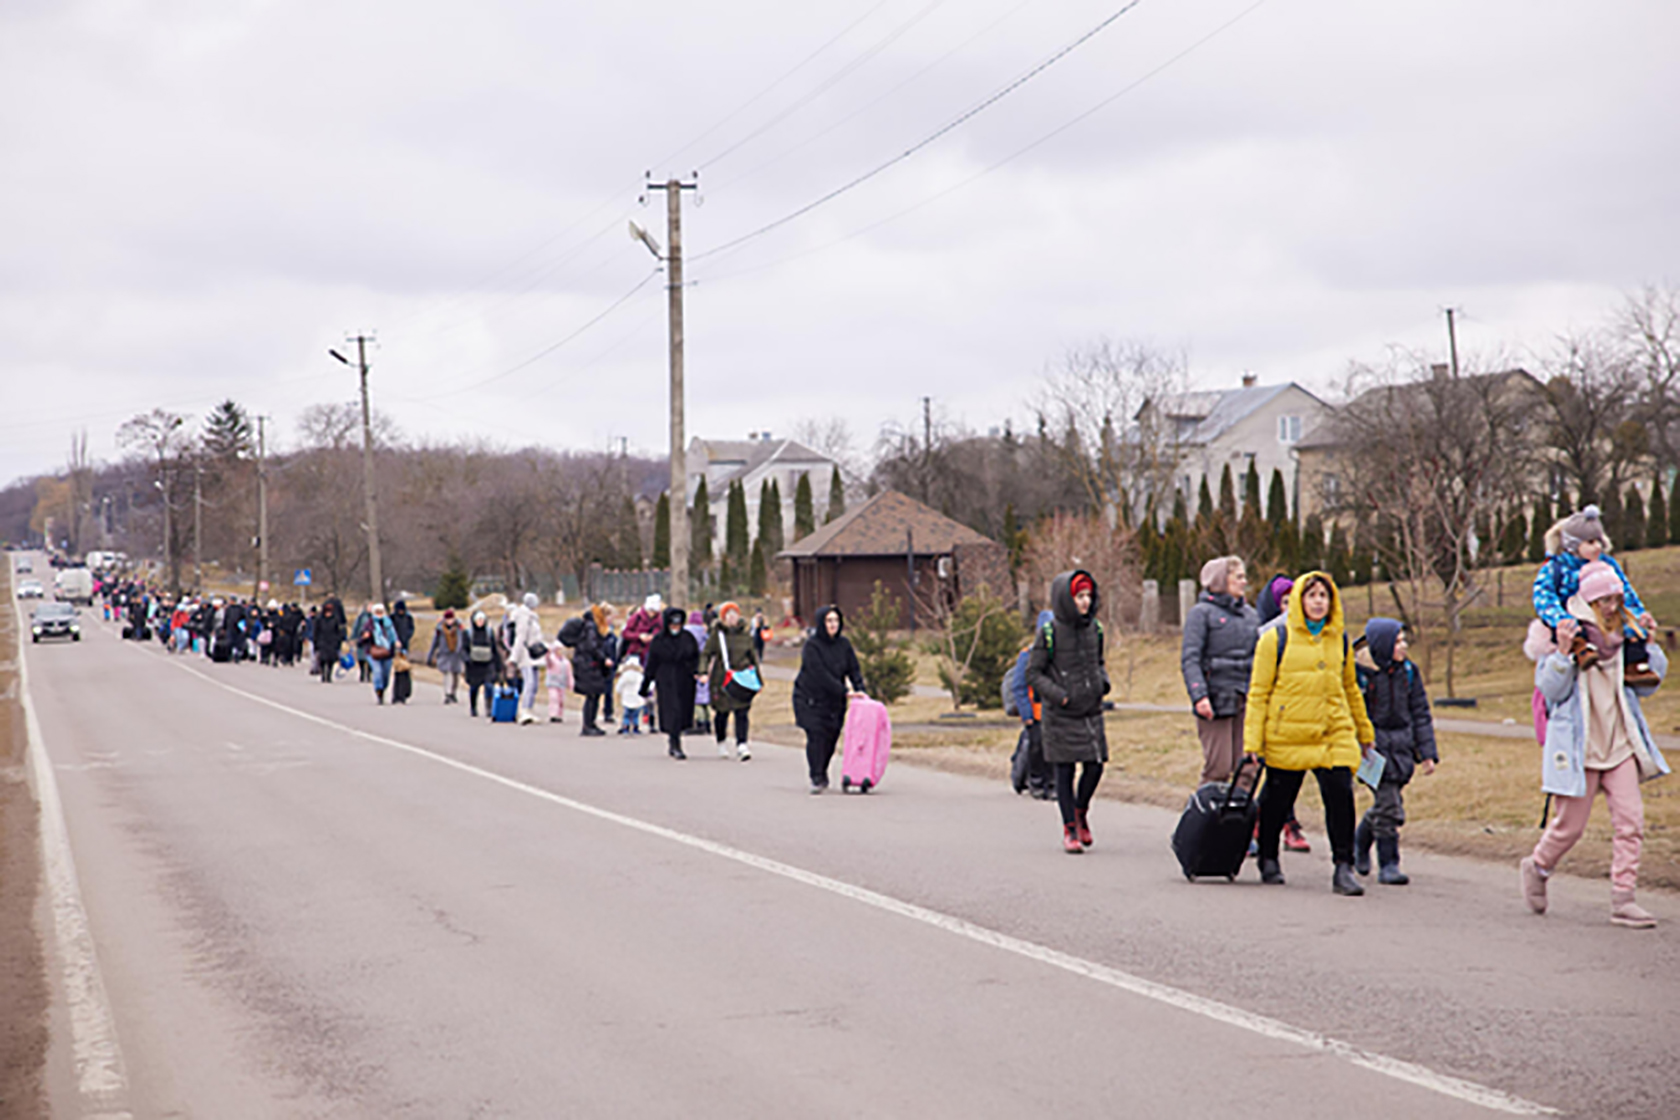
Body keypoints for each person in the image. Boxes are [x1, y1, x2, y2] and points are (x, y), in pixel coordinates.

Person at [1522, 560, 1670, 928]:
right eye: (1602, 599)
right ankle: (1538, 866)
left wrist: (1650, 648)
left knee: (1631, 822)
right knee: (1569, 828)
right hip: (1580, 747)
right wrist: (1561, 653)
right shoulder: (1567, 633)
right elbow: (1551, 691)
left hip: (1619, 743)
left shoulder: (1627, 635)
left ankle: (1624, 899)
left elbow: (1650, 684)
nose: (1609, 606)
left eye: (1615, 598)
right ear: (1588, 601)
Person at [1243, 571, 1374, 895]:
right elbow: (1258, 692)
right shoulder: (1275, 639)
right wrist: (1252, 742)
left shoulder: (1339, 639)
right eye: (1312, 595)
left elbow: (1350, 688)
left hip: (1333, 731)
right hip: (1290, 731)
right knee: (1277, 799)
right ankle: (1269, 856)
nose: (1318, 602)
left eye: (1324, 596)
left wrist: (1363, 730)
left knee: (1340, 795)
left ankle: (1343, 867)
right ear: (1300, 600)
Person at [1026, 570, 1110, 854]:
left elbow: (1098, 661)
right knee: (1064, 771)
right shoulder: (1048, 633)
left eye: (1088, 596)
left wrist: (1102, 682)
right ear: (1067, 599)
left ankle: (1081, 810)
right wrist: (1060, 696)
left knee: (1095, 765)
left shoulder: (1094, 629)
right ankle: (1069, 828)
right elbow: (1034, 673)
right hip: (1061, 714)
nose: (1085, 602)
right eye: (1079, 596)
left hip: (1090, 710)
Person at [1353, 619, 1438, 885]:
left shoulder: (1409, 672)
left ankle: (1361, 840)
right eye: (1398, 641)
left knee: (1385, 805)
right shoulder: (1361, 674)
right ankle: (1389, 862)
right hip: (1373, 749)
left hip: (1401, 747)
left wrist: (1426, 752)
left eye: (1404, 640)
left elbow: (1420, 713)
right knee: (1390, 808)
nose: (1403, 646)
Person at [1533, 505, 1658, 686]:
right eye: (1590, 543)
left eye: (1599, 541)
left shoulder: (1607, 564)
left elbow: (1625, 591)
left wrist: (1637, 615)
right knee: (1574, 630)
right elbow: (1543, 596)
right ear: (1573, 545)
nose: (1598, 547)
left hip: (1606, 618)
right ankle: (1581, 649)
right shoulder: (1556, 568)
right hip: (1569, 616)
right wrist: (1559, 618)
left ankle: (1635, 664)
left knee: (1632, 632)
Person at [1181, 556, 1259, 788]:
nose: (1244, 582)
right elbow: (1190, 658)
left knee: (1247, 767)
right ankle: (1203, 819)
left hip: (1246, 697)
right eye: (1238, 577)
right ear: (1221, 580)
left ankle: (1238, 819)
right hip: (1215, 699)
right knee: (1219, 767)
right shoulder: (1201, 614)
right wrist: (1199, 696)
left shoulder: (1251, 615)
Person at [1254, 574, 1311, 854]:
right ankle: (1276, 831)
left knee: (1288, 774)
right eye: (1285, 603)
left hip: (1302, 716)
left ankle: (1282, 823)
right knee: (1277, 775)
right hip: (1273, 715)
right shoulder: (1268, 638)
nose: (1291, 609)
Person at [793, 604, 866, 793]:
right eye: (829, 621)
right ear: (821, 623)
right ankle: (816, 775)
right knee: (816, 735)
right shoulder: (812, 646)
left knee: (831, 737)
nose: (833, 625)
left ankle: (822, 769)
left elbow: (853, 669)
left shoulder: (844, 645)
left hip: (834, 701)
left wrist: (860, 689)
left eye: (836, 621)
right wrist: (844, 691)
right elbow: (819, 674)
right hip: (810, 698)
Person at [642, 606, 700, 760]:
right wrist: (645, 684)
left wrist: (697, 672)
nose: (676, 628)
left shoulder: (688, 638)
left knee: (683, 711)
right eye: (672, 625)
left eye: (678, 625)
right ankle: (675, 743)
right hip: (666, 679)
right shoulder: (659, 640)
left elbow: (695, 657)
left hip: (685, 679)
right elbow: (652, 663)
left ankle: (677, 736)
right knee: (672, 710)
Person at [1010, 610, 1056, 800]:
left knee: (1056, 750)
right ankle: (1036, 782)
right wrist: (1027, 715)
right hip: (1035, 713)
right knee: (1036, 748)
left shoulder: (1060, 656)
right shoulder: (1027, 655)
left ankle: (1054, 784)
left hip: (1055, 713)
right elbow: (1019, 687)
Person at [705, 601, 758, 761]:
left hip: (741, 678)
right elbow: (706, 653)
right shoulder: (717, 635)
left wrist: (757, 680)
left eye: (734, 614)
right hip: (722, 678)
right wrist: (702, 671)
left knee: (742, 712)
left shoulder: (745, 635)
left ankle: (742, 744)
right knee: (722, 712)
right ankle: (721, 741)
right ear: (723, 618)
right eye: (728, 615)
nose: (732, 618)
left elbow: (753, 657)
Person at [572, 603, 615, 737]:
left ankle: (591, 722)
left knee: (595, 695)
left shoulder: (593, 626)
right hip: (589, 665)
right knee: (591, 696)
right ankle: (587, 725)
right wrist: (603, 659)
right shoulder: (591, 627)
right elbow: (592, 647)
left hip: (591, 664)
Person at [507, 593, 545, 725]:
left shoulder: (533, 617)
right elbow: (520, 637)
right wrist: (514, 658)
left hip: (534, 654)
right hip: (525, 654)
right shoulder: (523, 616)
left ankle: (530, 708)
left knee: (534, 684)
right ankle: (524, 710)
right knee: (529, 682)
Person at [462, 609, 505, 717]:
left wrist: (499, 665)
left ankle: (488, 708)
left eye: (482, 620)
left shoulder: (489, 633)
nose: (480, 622)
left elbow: (494, 649)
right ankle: (473, 707)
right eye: (478, 620)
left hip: (487, 663)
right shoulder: (468, 634)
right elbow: (463, 649)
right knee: (474, 688)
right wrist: (467, 659)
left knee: (489, 686)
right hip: (474, 665)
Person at [428, 609, 468, 704]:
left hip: (456, 654)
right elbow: (435, 642)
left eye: (451, 619)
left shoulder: (459, 628)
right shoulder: (440, 629)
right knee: (447, 673)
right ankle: (447, 693)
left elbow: (464, 640)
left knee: (455, 674)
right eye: (448, 619)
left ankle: (453, 692)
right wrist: (431, 654)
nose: (449, 621)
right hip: (445, 653)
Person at [366, 602, 398, 704]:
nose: (379, 614)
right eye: (377, 612)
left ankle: (383, 689)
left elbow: (393, 635)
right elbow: (361, 640)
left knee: (386, 674)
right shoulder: (369, 624)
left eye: (381, 612)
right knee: (377, 671)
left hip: (387, 652)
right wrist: (365, 636)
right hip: (374, 652)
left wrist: (396, 642)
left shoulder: (388, 623)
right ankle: (378, 691)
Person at [313, 598, 346, 684]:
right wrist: (316, 643)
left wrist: (339, 641)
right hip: (322, 641)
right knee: (322, 660)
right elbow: (316, 631)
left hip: (332, 642)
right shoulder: (319, 619)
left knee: (331, 660)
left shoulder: (335, 619)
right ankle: (323, 674)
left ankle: (329, 675)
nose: (328, 613)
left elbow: (339, 631)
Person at [616, 655, 646, 734]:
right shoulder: (640, 676)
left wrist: (619, 691)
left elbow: (619, 686)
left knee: (626, 714)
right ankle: (636, 727)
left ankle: (626, 726)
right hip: (638, 698)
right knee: (636, 715)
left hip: (627, 697)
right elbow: (646, 685)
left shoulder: (625, 676)